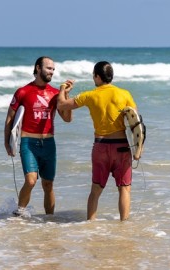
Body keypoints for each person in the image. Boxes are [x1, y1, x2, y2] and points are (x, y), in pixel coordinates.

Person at [57, 61, 138, 221]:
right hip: (121, 147)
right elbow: (136, 124)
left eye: (94, 76)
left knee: (95, 190)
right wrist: (138, 150)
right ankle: (124, 227)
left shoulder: (90, 95)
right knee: (124, 189)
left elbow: (61, 104)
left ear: (97, 77)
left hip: (100, 147)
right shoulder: (124, 94)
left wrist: (62, 90)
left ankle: (90, 226)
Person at [4, 56, 72, 216]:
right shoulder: (22, 92)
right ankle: (19, 214)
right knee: (31, 180)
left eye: (53, 69)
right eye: (49, 68)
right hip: (28, 142)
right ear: (38, 68)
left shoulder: (55, 93)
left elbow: (68, 118)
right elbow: (9, 119)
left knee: (48, 185)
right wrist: (7, 142)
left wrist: (65, 95)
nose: (52, 72)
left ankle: (50, 220)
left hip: (49, 143)